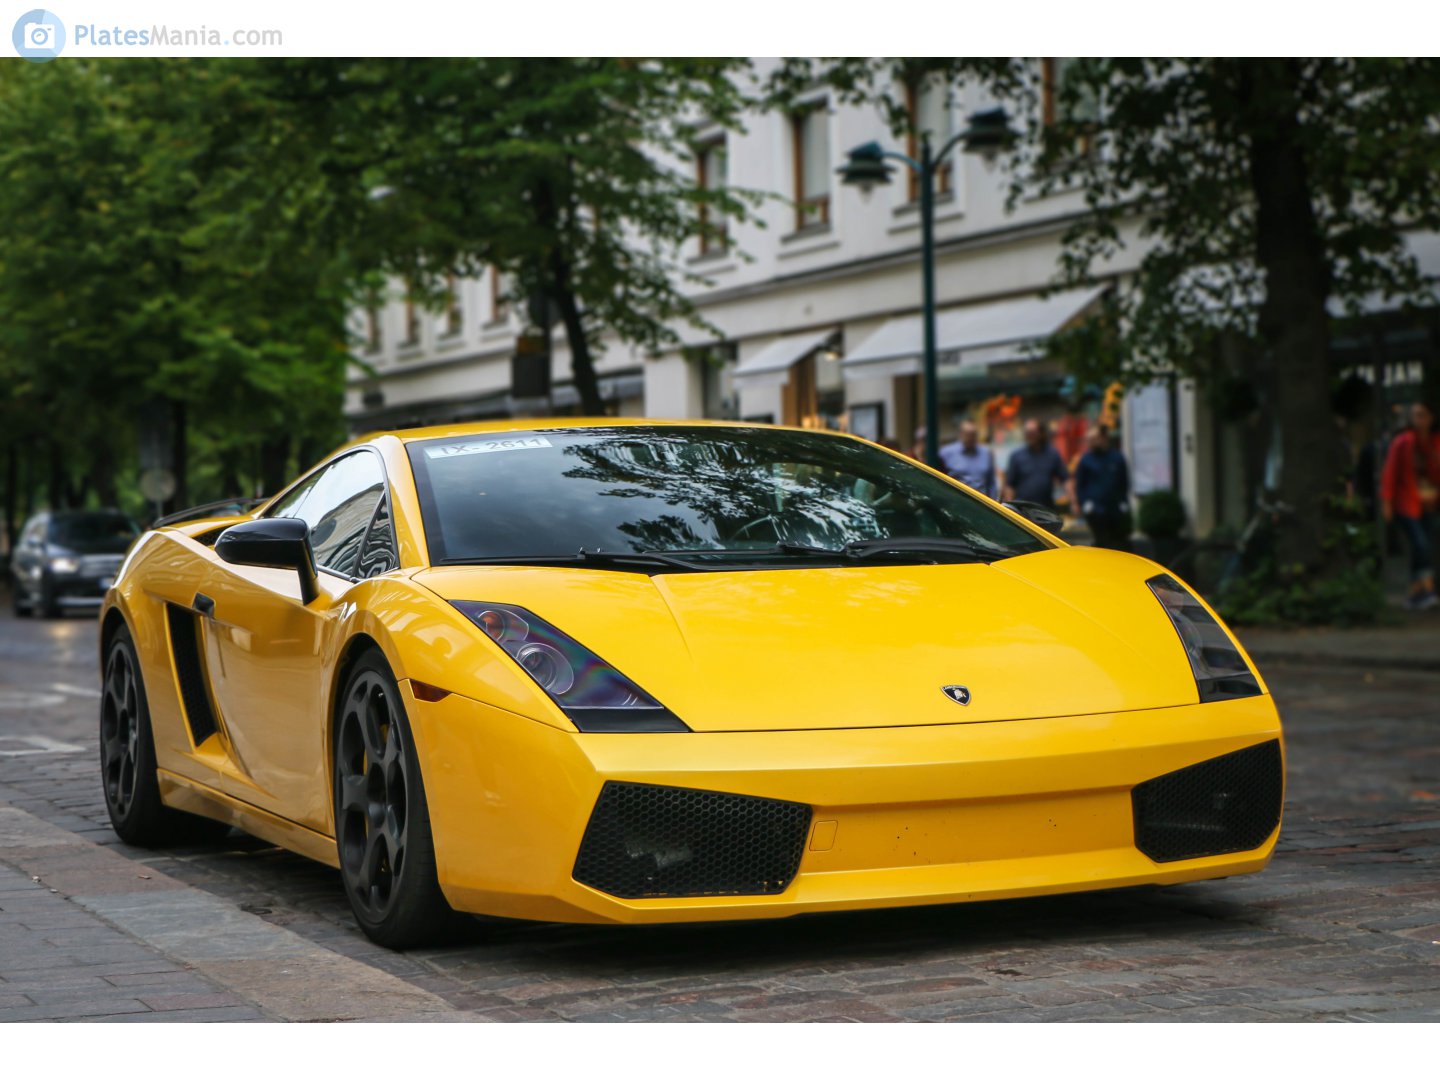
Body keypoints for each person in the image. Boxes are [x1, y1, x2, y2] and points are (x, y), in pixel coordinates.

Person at [1381, 401, 1440, 611]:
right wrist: (1387, 502)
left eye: (1423, 414)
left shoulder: (1435, 442)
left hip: (1429, 502)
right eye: (1415, 415)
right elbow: (1390, 473)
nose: (1419, 419)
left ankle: (1415, 593)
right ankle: (1428, 587)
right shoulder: (1403, 442)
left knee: (1421, 546)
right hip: (1407, 502)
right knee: (1421, 543)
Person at [1072, 425, 1132, 551]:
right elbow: (1080, 484)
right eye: (1089, 439)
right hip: (1095, 511)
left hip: (1114, 510)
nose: (1091, 442)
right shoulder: (1086, 460)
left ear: (1104, 438)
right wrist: (1084, 503)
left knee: (1117, 545)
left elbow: (1123, 482)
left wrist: (1123, 502)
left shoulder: (1116, 458)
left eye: (1094, 438)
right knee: (1101, 544)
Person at [1003, 418, 1068, 509]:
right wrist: (1008, 509)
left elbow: (1065, 479)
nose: (1029, 436)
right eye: (1027, 433)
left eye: (1032, 433)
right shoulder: (1017, 456)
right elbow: (1010, 485)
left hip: (1045, 509)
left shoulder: (1052, 454)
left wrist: (1073, 502)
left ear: (1040, 433)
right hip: (1022, 510)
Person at [938, 421, 997, 498]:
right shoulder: (946, 453)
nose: (970, 438)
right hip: (956, 500)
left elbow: (991, 482)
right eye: (967, 434)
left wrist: (994, 501)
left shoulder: (986, 454)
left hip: (982, 502)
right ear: (961, 434)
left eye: (973, 435)